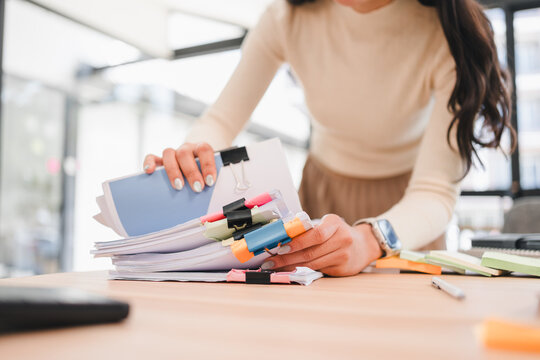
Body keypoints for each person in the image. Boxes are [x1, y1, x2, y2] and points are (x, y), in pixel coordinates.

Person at [142, 0, 515, 276]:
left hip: (407, 216)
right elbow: (221, 121)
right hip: (319, 193)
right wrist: (197, 151)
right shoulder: (286, 18)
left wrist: (371, 240)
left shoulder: (448, 34)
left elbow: (434, 191)